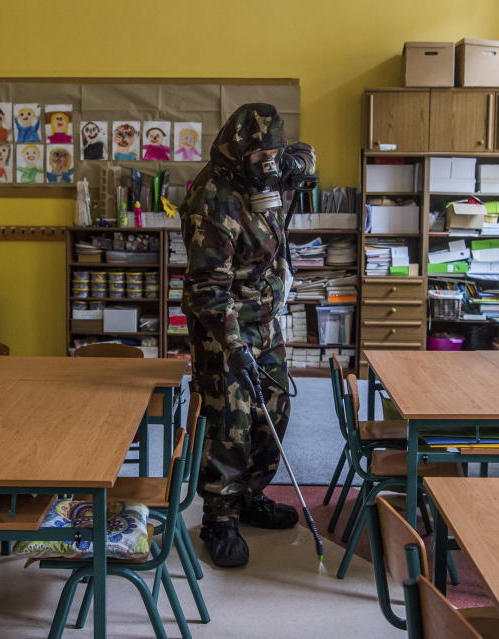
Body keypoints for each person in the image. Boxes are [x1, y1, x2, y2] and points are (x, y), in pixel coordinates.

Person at [179, 103, 315, 568]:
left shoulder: (272, 171)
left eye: (273, 157)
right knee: (229, 420)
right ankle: (219, 515)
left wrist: (293, 166)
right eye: (260, 161)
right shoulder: (212, 199)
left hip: (265, 317)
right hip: (223, 324)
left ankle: (251, 496)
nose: (268, 168)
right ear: (238, 154)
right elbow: (206, 287)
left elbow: (305, 158)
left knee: (274, 407)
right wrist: (233, 345)